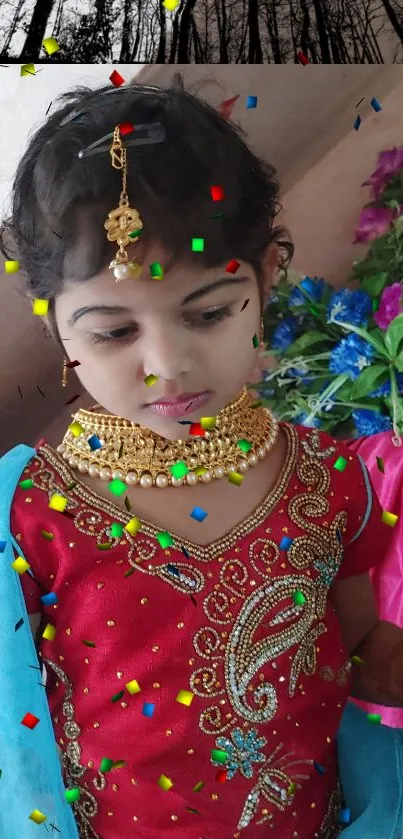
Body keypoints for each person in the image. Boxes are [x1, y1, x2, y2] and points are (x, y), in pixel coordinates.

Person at [1, 76, 403, 839]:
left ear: (266, 275)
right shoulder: (27, 511)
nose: (167, 365)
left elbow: (357, 652)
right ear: (54, 323)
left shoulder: (328, 480)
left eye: (209, 313)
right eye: (113, 332)